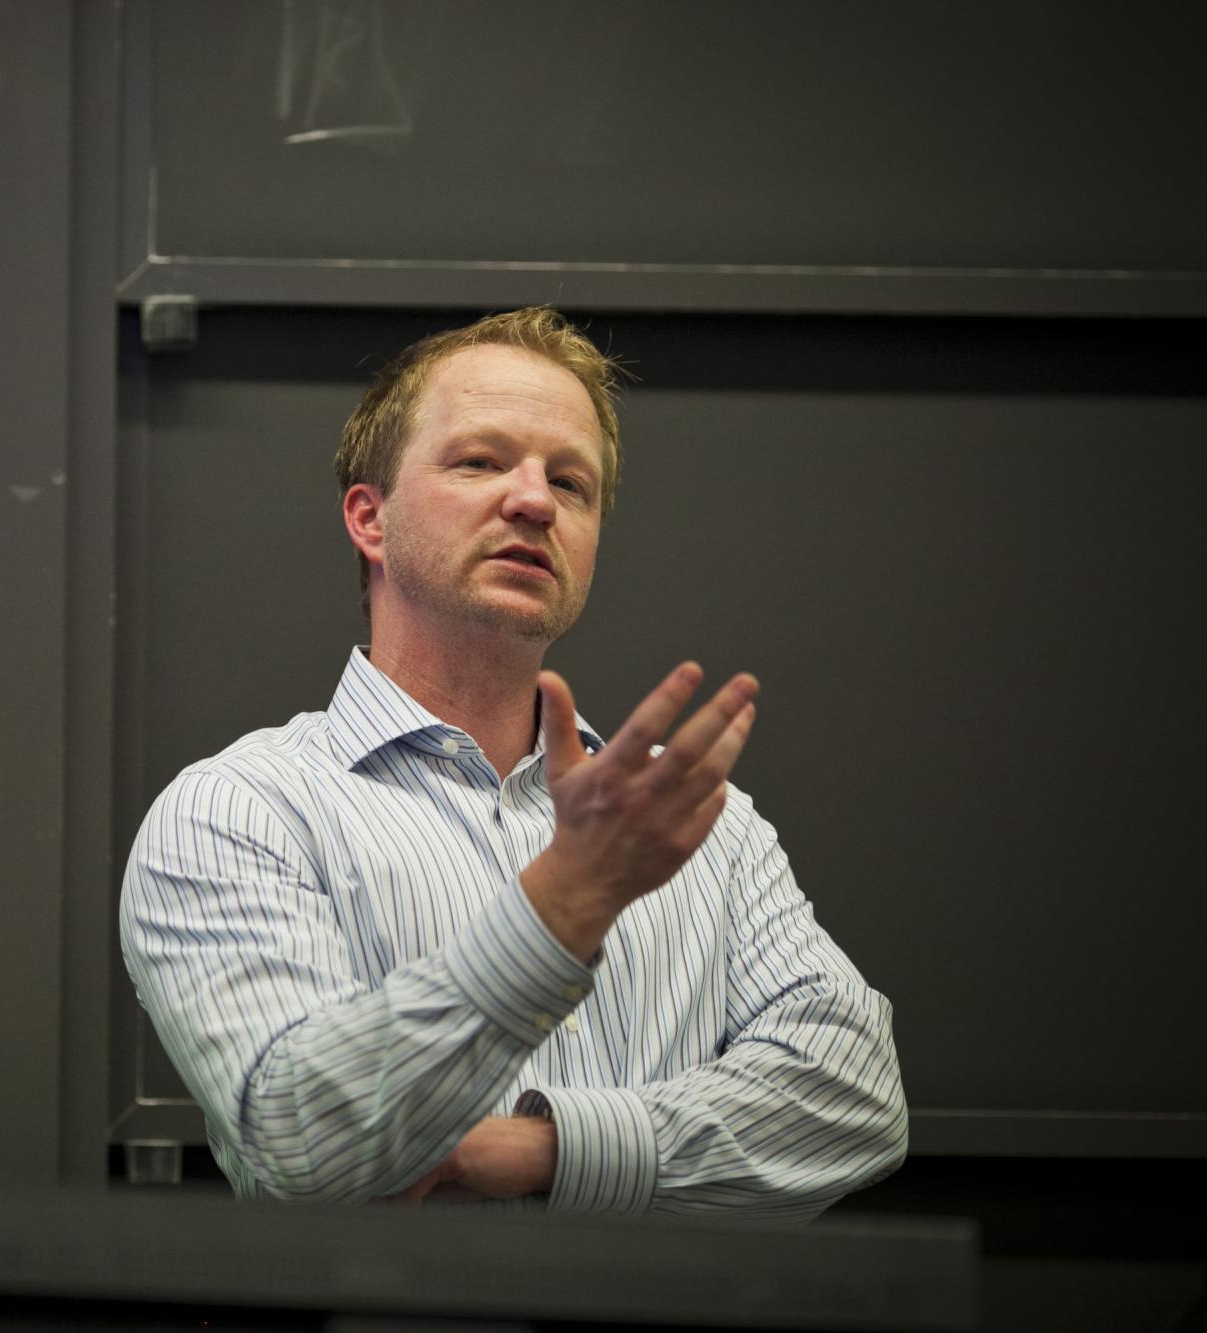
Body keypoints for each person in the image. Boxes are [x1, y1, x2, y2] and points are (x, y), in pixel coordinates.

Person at [119, 307, 906, 1218]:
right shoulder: (240, 811)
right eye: (480, 461)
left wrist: (550, 1147)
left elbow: (856, 1096)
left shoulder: (695, 817)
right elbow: (305, 1137)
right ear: (370, 519)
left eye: (572, 482)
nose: (534, 500)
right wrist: (563, 905)